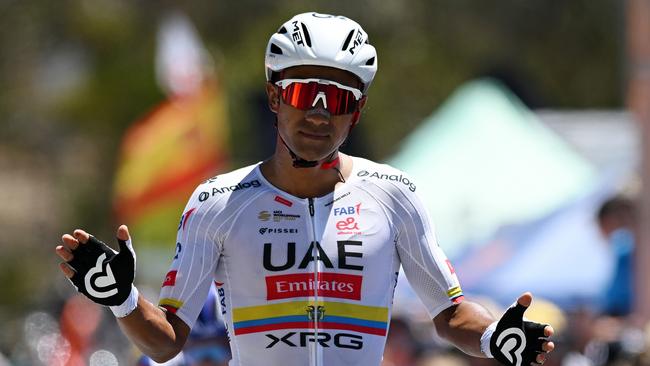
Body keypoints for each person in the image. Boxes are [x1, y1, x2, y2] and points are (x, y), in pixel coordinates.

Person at [55, 12, 555, 366]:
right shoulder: (216, 204)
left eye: (337, 97)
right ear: (274, 96)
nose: (318, 111)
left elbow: (450, 314)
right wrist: (121, 298)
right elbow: (166, 344)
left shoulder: (394, 195)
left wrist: (493, 335)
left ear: (356, 111)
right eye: (301, 93)